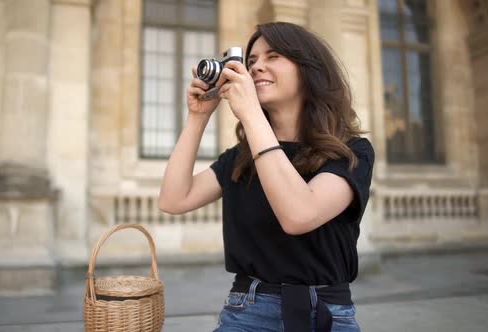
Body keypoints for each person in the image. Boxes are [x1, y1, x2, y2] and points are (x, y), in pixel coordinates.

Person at [158, 21, 374, 332]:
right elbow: (173, 199)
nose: (257, 67)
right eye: (251, 61)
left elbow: (299, 215)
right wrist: (198, 117)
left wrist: (250, 114)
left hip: (329, 315)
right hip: (246, 312)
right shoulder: (242, 156)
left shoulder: (352, 152)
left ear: (309, 69)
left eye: (273, 56)